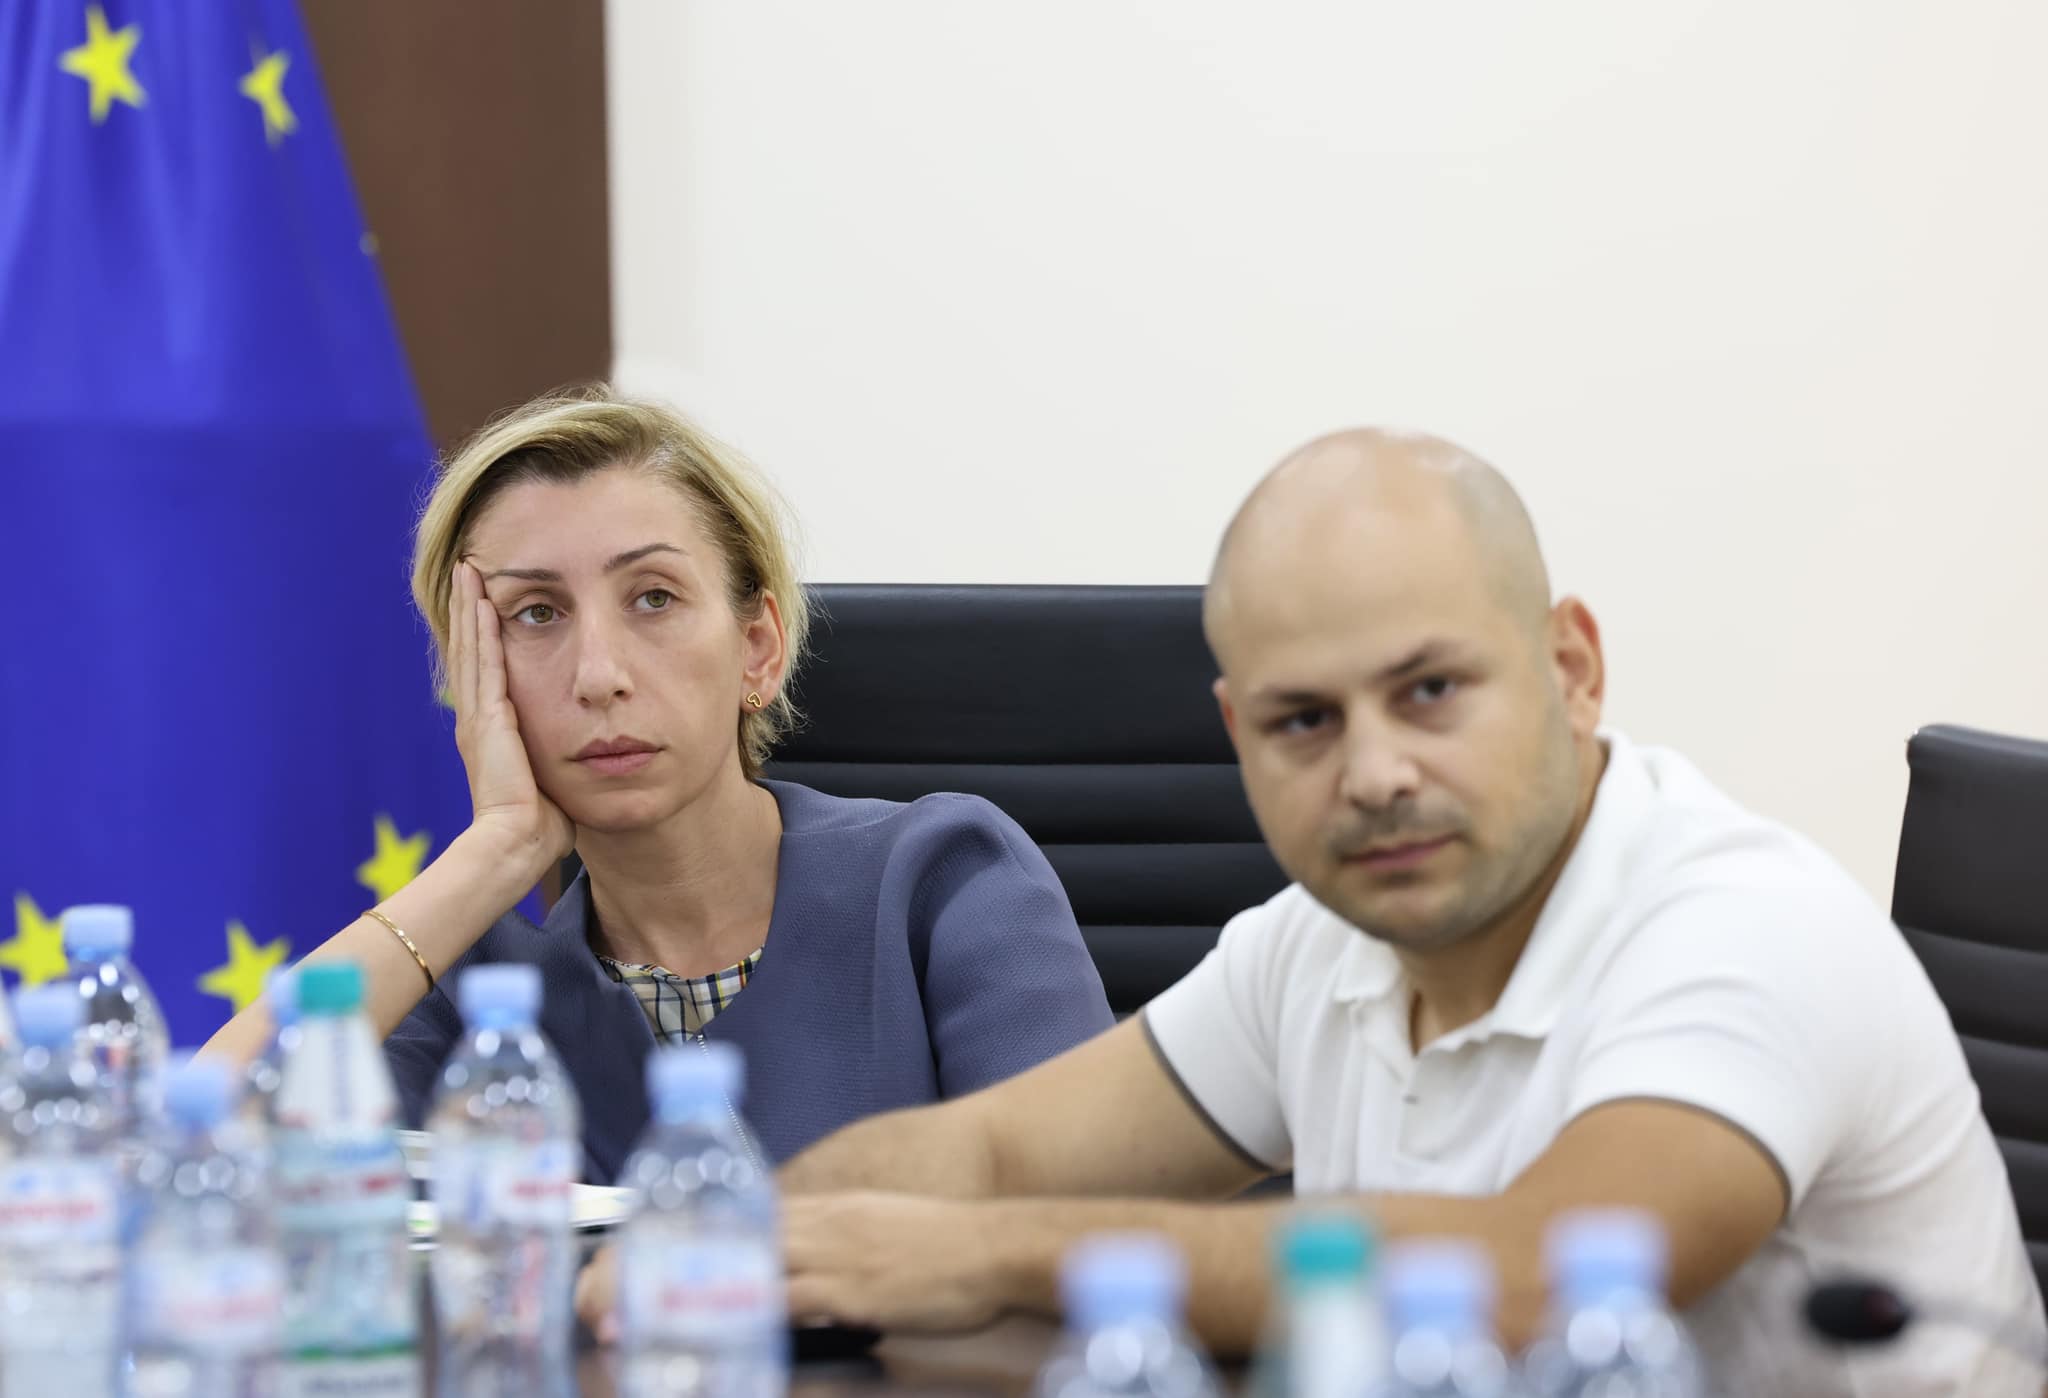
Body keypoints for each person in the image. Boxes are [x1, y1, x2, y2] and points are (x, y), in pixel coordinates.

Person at [581, 429, 2042, 1394]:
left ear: (1573, 669)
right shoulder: (1324, 943)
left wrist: (979, 1253)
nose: (1375, 772)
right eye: (1303, 721)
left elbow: (1535, 1277)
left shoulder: (1740, 925)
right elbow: (996, 1148)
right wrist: (730, 1233)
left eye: (1430, 691)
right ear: (1238, 735)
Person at [203, 388, 1112, 1181]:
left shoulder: (944, 879)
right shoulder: (476, 984)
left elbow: (1077, 1215)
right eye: (535, 614)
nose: (599, 674)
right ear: (479, 681)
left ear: (759, 649)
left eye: (653, 598)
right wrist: (495, 851)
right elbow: (194, 1149)